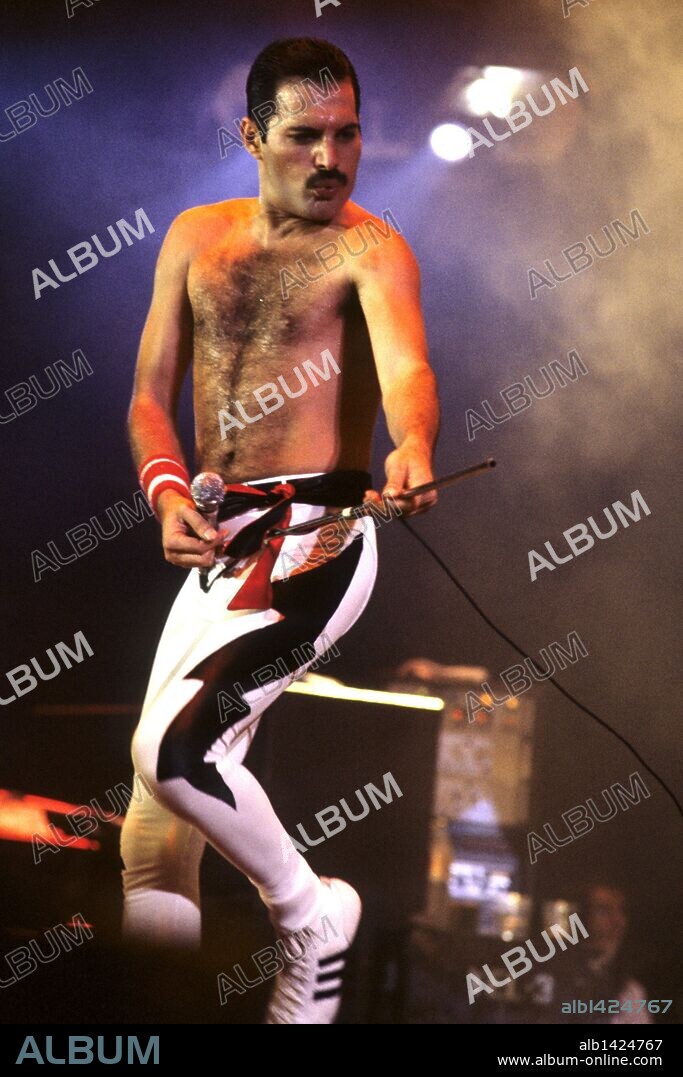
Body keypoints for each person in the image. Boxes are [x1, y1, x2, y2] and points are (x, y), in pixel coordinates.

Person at [120, 36, 440, 1025]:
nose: (330, 157)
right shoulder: (192, 236)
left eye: (347, 134)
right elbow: (145, 398)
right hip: (223, 541)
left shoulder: (372, 246)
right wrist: (167, 493)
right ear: (253, 136)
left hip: (319, 537)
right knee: (151, 820)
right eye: (305, 136)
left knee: (176, 756)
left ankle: (311, 918)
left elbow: (407, 374)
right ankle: (151, 1013)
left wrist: (414, 444)